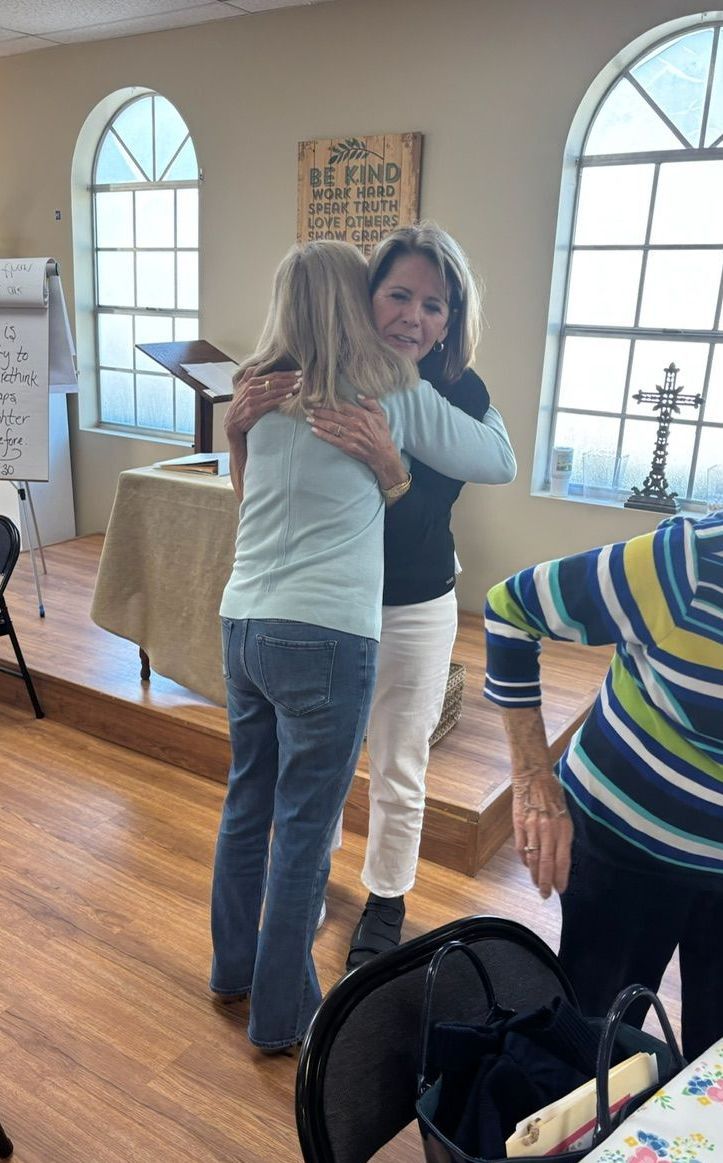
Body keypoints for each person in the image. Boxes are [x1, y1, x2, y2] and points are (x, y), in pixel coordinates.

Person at [212, 239, 515, 1052]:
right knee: (302, 826)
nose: (412, 315)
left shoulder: (271, 381)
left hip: (272, 617)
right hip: (329, 623)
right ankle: (282, 1014)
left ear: (450, 319)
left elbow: (493, 458)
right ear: (362, 297)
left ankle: (250, 960)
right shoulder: (378, 384)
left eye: (433, 304)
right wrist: (241, 433)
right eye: (397, 296)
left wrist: (388, 465)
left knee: (274, 797)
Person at [483, 510, 723, 1060]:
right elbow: (510, 608)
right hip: (625, 849)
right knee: (596, 1045)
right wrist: (532, 778)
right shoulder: (689, 563)